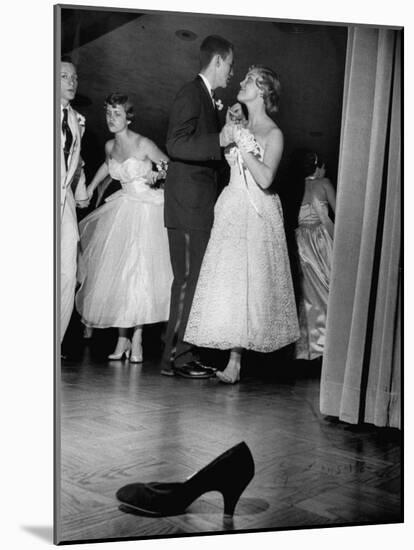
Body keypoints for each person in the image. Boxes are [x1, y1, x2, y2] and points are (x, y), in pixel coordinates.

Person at [184, 65, 300, 384]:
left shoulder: (273, 134)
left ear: (262, 91)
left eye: (248, 81)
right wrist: (233, 130)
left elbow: (265, 177)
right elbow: (228, 157)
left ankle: (238, 362)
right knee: (230, 282)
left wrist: (244, 144)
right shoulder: (240, 124)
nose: (241, 83)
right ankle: (232, 361)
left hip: (258, 210)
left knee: (252, 282)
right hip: (233, 205)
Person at [160, 35, 237, 378]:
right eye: (230, 65)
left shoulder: (208, 98)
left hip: (198, 207)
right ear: (218, 61)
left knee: (192, 282)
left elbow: (201, 150)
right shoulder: (191, 93)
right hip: (187, 206)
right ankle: (174, 358)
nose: (231, 74)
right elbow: (175, 143)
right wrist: (218, 140)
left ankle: (184, 354)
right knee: (187, 279)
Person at [75, 93, 172, 363]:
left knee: (139, 272)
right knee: (118, 272)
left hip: (146, 209)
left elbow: (168, 165)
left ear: (128, 117)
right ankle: (122, 337)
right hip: (123, 207)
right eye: (108, 113)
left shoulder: (143, 143)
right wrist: (92, 187)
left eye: (117, 114)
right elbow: (108, 168)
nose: (111, 119)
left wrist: (157, 173)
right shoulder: (109, 146)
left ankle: (138, 337)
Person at [293, 151, 336, 360]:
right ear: (319, 167)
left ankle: (312, 350)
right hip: (320, 240)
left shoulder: (298, 186)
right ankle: (329, 348)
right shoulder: (324, 183)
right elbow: (339, 212)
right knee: (329, 292)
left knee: (309, 296)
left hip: (301, 242)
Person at [60, 57, 90, 344]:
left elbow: (75, 163)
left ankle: (54, 343)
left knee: (68, 272)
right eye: (64, 77)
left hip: (65, 201)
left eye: (74, 77)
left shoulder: (75, 119)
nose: (72, 82)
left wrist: (80, 194)